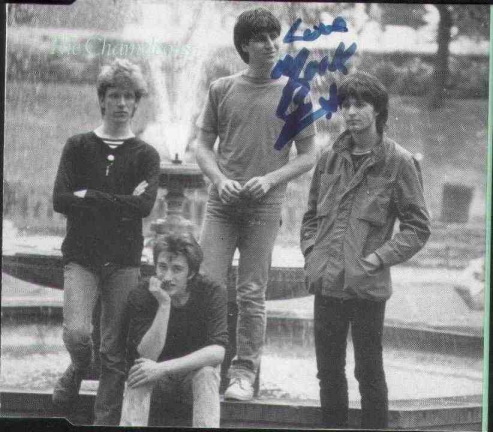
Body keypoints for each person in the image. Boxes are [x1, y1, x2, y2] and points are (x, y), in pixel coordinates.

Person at [195, 7, 318, 401]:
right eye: (260, 39)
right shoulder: (222, 89)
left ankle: (243, 374)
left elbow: (309, 154)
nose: (270, 44)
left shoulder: (296, 93)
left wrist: (270, 179)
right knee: (207, 285)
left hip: (265, 207)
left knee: (251, 293)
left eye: (273, 36)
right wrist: (219, 180)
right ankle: (203, 367)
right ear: (244, 46)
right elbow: (201, 146)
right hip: (222, 205)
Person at [300, 71, 431, 429]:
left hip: (366, 285)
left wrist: (377, 258)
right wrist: (312, 253)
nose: (351, 112)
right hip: (327, 282)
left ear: (378, 110)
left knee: (368, 370)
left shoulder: (399, 161)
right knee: (328, 371)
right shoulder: (329, 157)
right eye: (345, 105)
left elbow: (418, 228)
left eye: (360, 105)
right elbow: (310, 216)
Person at [52, 58, 161, 425]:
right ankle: (78, 366)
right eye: (114, 95)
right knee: (78, 333)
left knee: (114, 351)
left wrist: (90, 196)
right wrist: (121, 201)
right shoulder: (78, 146)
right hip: (81, 256)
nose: (121, 103)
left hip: (123, 261)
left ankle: (104, 423)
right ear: (102, 99)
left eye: (129, 96)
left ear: (137, 102)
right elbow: (60, 200)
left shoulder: (146, 155)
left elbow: (143, 207)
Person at [123, 233, 228, 427]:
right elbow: (147, 354)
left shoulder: (212, 291)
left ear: (191, 273)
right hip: (156, 384)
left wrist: (162, 368)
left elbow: (217, 352)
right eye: (162, 267)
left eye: (177, 269)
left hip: (192, 380)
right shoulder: (144, 292)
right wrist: (164, 304)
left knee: (207, 373)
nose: (167, 277)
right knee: (140, 372)